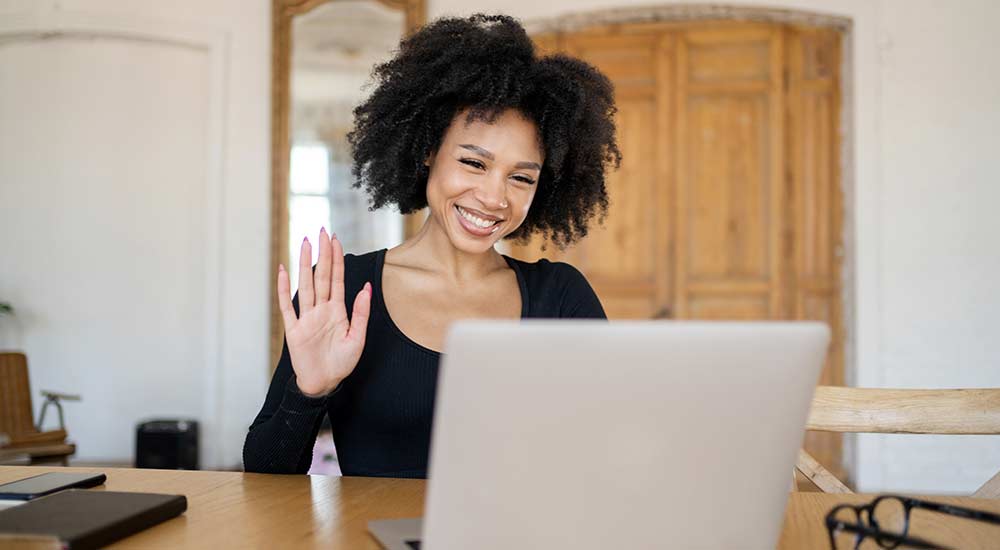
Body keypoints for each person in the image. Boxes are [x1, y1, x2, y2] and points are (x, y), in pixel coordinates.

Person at [243, 13, 621, 478]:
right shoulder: (342, 294)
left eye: (521, 177)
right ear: (427, 150)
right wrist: (309, 392)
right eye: (473, 163)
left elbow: (609, 452)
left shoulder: (561, 297)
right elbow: (265, 476)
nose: (495, 197)